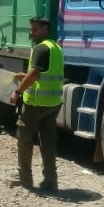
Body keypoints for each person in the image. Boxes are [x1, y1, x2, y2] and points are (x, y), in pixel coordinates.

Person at [9, 16, 64, 192]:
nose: (31, 33)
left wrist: (18, 91)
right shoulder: (56, 48)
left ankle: (25, 179)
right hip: (53, 103)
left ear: (44, 29)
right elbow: (44, 74)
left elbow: (34, 75)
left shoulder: (41, 48)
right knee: (48, 142)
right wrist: (23, 76)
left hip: (35, 103)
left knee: (24, 139)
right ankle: (50, 181)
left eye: (34, 29)